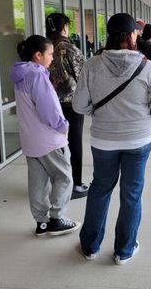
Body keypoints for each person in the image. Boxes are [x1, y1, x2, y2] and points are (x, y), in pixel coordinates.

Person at [72, 13, 151, 265]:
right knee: (131, 194)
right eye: (135, 32)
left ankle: (90, 246)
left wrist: (97, 110)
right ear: (129, 35)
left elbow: (79, 105)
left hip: (103, 141)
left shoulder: (92, 65)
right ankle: (124, 250)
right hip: (138, 140)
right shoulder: (146, 66)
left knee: (100, 190)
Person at [10, 35, 80, 237]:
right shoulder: (38, 75)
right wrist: (63, 125)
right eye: (49, 54)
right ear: (38, 55)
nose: (52, 58)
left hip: (31, 140)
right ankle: (57, 219)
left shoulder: (20, 75)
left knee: (38, 182)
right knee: (64, 177)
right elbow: (48, 110)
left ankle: (41, 223)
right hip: (49, 139)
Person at [45, 13, 88, 200]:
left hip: (49, 103)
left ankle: (57, 182)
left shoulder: (44, 47)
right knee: (74, 142)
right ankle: (75, 184)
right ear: (64, 28)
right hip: (71, 103)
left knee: (54, 144)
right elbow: (84, 75)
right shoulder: (68, 48)